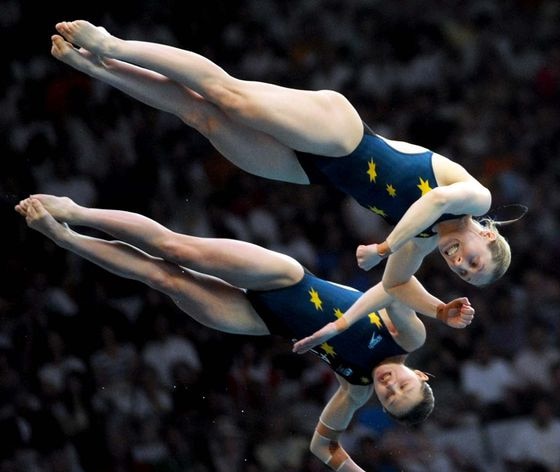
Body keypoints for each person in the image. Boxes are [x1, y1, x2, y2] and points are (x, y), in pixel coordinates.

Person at [48, 20, 512, 327]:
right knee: (228, 97)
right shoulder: (478, 199)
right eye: (473, 260)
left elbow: (394, 284)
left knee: (201, 117)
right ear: (487, 237)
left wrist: (438, 309)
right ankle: (113, 44)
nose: (459, 265)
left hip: (313, 171)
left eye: (463, 276)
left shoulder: (424, 242)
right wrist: (388, 246)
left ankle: (100, 67)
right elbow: (432, 201)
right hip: (343, 136)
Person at [15, 194, 474, 471]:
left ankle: (65, 238)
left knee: (163, 278)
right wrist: (437, 309)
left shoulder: (354, 390)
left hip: (260, 321)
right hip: (287, 280)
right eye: (404, 386)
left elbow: (322, 446)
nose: (390, 386)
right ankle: (76, 211)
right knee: (177, 249)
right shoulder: (409, 340)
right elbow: (396, 282)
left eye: (390, 399)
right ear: (422, 376)